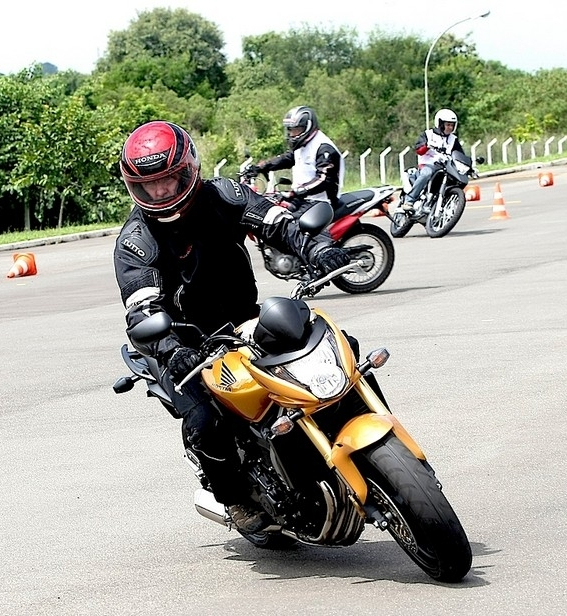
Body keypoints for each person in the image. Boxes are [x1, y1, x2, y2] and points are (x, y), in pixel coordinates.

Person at [113, 120, 350, 533]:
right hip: (181, 342)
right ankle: (235, 498)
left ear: (189, 169)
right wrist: (170, 348)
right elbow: (140, 308)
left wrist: (319, 247)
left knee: (337, 349)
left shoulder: (225, 195)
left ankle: (373, 446)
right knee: (205, 424)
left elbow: (281, 223)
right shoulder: (136, 241)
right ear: (135, 187)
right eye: (149, 186)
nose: (161, 192)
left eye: (169, 180)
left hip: (244, 318)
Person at [248, 105, 344, 213]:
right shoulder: (302, 144)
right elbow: (288, 158)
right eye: (290, 130)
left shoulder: (324, 148)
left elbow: (324, 180)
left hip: (321, 202)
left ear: (308, 127)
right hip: (302, 199)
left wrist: (299, 190)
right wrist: (262, 166)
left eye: (296, 130)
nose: (292, 134)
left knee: (291, 227)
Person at [400, 108, 465, 213]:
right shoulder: (428, 134)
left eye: (452, 125)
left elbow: (460, 155)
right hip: (428, 164)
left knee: (455, 179)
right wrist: (427, 146)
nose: (450, 127)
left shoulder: (453, 139)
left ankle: (444, 204)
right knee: (427, 173)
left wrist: (469, 167)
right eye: (447, 124)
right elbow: (418, 150)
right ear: (440, 123)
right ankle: (409, 200)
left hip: (445, 167)